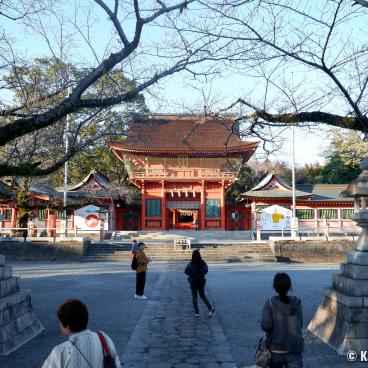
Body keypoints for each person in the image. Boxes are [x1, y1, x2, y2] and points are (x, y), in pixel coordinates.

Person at [42, 299, 121, 368]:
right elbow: (116, 364)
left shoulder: (60, 351)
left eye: (61, 322)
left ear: (67, 326)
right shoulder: (103, 338)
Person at [260, 273, 304, 368]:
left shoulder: (270, 303)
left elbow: (266, 325)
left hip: (276, 349)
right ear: (289, 286)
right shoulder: (297, 302)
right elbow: (300, 324)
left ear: (274, 286)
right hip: (294, 349)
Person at [184, 249, 215, 317]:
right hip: (201, 281)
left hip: (193, 282)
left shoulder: (191, 263)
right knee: (203, 295)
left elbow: (186, 271)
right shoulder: (203, 262)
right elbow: (206, 270)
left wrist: (192, 274)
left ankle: (197, 312)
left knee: (194, 297)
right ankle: (210, 308)